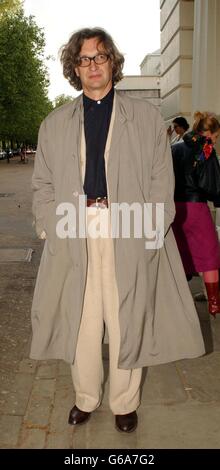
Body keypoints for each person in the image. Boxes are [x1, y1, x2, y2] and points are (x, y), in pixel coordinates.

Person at [30, 28, 205, 433]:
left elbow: (163, 182)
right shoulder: (54, 123)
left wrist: (151, 231)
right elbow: (42, 184)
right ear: (75, 68)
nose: (92, 65)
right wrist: (49, 228)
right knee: (82, 319)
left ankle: (125, 401)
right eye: (84, 59)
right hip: (75, 226)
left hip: (128, 223)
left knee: (128, 316)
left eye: (100, 56)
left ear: (113, 62)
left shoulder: (144, 118)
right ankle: (85, 396)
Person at [171, 111, 220, 317]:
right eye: (216, 137)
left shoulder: (174, 148)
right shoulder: (206, 149)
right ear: (209, 133)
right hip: (197, 208)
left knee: (179, 255)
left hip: (175, 209)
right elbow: (213, 184)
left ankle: (179, 304)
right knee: (209, 256)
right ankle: (214, 303)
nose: (215, 141)